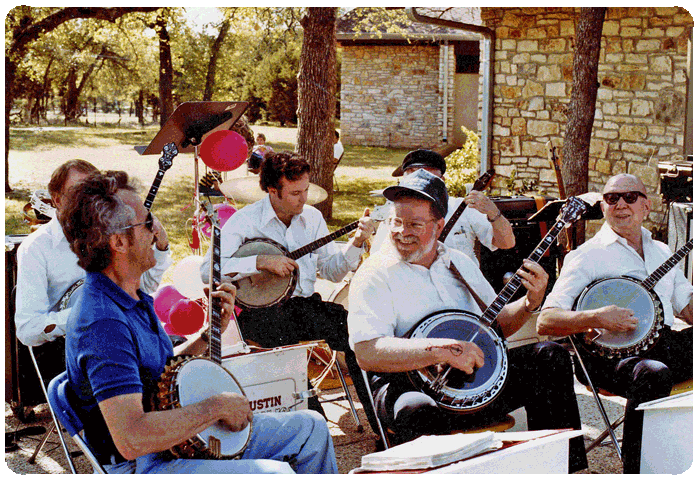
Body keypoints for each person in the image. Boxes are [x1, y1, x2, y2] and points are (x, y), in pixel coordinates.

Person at [61, 171, 337, 474]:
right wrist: (215, 407)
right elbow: (131, 437)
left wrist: (209, 334)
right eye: (147, 223)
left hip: (173, 442)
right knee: (276, 474)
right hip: (142, 464)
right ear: (118, 242)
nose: (156, 231)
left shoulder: (130, 295)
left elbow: (158, 373)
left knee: (311, 428)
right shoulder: (103, 323)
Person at [348, 169, 587, 472]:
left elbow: (496, 325)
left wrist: (530, 302)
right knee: (416, 410)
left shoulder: (458, 263)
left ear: (439, 226)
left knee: (549, 357)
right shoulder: (375, 275)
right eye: (396, 221)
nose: (401, 231)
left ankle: (564, 468)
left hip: (472, 381)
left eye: (414, 224)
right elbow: (367, 353)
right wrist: (438, 350)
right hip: (412, 385)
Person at [200, 151, 375, 419]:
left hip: (303, 307)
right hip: (261, 315)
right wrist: (259, 262)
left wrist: (358, 242)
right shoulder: (246, 221)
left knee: (354, 330)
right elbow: (206, 271)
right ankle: (310, 421)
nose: (304, 198)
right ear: (272, 190)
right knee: (283, 351)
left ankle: (381, 420)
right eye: (295, 193)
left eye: (306, 190)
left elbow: (332, 271)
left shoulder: (312, 218)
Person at [537, 173, 693, 474]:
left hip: (663, 344)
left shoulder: (662, 251)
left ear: (646, 206)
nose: (620, 204)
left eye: (630, 197)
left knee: (661, 365)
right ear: (604, 207)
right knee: (652, 373)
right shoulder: (587, 256)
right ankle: (640, 469)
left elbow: (686, 307)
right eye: (611, 198)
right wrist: (597, 317)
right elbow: (546, 320)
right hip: (609, 359)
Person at [12, 160, 171, 412]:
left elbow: (143, 288)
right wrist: (88, 316)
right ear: (56, 199)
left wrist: (160, 248)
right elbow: (27, 329)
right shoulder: (36, 248)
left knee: (179, 359)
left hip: (119, 336)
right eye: (78, 194)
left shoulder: (106, 235)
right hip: (65, 354)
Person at [372, 149, 515, 266]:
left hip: (461, 292)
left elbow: (506, 243)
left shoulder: (463, 207)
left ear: (442, 181)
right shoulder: (395, 214)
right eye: (413, 176)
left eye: (426, 175)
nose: (419, 181)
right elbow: (377, 259)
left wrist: (493, 212)